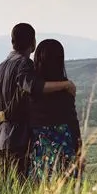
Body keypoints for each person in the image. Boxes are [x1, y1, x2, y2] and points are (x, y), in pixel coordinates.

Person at [0, 23, 76, 185]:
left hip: (1, 140)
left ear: (12, 41)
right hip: (20, 138)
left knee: (9, 191)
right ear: (33, 43)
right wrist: (65, 85)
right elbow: (31, 87)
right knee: (24, 192)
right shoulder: (25, 64)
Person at [27, 39, 84, 183]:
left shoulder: (32, 88)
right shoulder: (66, 88)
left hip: (39, 149)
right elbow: (72, 120)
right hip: (65, 146)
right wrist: (79, 150)